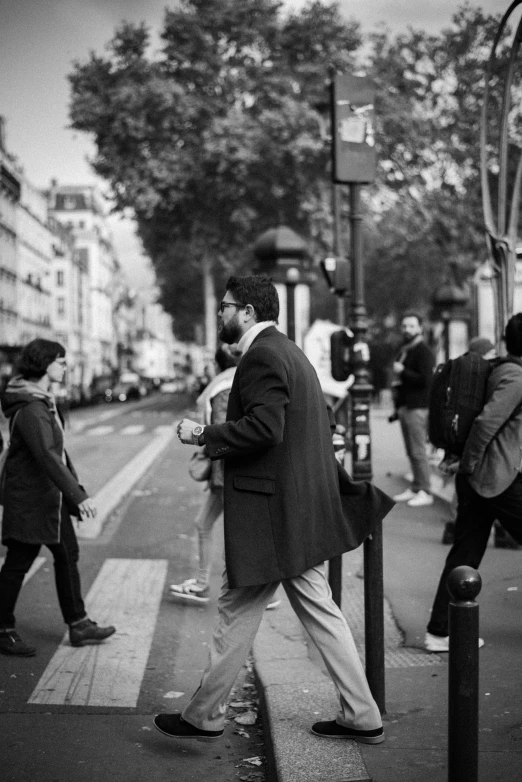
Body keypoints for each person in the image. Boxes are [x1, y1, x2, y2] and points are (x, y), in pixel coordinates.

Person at [154, 275, 394, 744]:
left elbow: (266, 427)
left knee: (244, 609)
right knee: (291, 611)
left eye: (225, 307)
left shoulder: (261, 355)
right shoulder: (289, 352)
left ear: (246, 311)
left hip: (273, 513)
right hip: (292, 509)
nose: (220, 314)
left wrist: (204, 435)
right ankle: (361, 715)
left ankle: (205, 715)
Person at [0, 339, 116, 656]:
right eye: (61, 361)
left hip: (51, 498)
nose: (65, 367)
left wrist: (74, 493)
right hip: (30, 499)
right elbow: (48, 457)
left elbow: (59, 455)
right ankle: (2, 628)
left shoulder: (43, 401)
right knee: (19, 562)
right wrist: (79, 497)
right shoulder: (32, 408)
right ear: (45, 363)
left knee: (68, 555)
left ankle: (78, 624)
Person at [424, 314, 522, 652]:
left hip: (483, 479)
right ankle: (439, 630)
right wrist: (467, 464)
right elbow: (485, 423)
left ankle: (439, 631)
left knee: (464, 552)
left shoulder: (501, 368)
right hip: (497, 479)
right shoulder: (515, 376)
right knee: (464, 552)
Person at [440, 336, 497, 546]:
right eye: (491, 354)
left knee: (463, 485)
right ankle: (459, 526)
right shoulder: (480, 375)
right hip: (474, 438)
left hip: (461, 437)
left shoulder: (461, 373)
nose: (494, 358)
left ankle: (454, 527)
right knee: (471, 482)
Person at [391, 312, 435, 507]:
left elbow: (426, 380)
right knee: (411, 450)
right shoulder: (406, 349)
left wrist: (403, 372)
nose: (407, 330)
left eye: (411, 326)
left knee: (418, 451)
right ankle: (416, 486)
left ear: (419, 328)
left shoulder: (424, 351)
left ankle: (425, 490)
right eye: (404, 326)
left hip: (418, 407)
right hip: (406, 406)